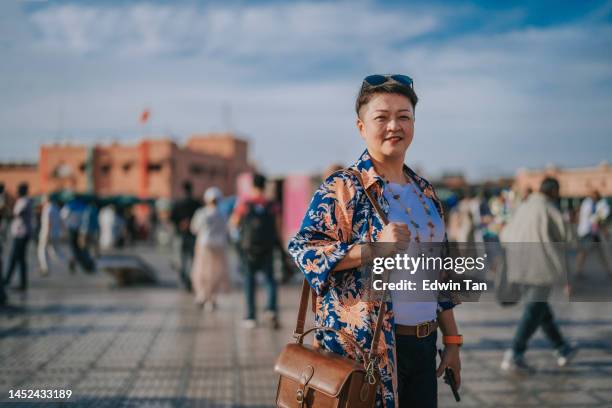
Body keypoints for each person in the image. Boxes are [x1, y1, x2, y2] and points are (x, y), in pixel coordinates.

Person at [288, 74, 462, 408]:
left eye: (404, 116)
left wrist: (452, 341)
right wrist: (372, 249)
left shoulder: (425, 192)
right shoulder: (342, 189)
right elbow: (303, 250)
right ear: (360, 126)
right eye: (381, 117)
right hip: (366, 351)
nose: (394, 126)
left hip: (424, 347)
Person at [499, 177, 578, 373]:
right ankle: (515, 353)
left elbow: (505, 235)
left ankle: (562, 348)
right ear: (553, 192)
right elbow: (569, 238)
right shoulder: (549, 209)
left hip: (519, 266)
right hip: (540, 268)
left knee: (541, 310)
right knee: (534, 310)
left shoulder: (523, 207)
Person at [230, 173, 281, 329]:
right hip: (267, 248)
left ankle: (251, 317)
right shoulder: (272, 205)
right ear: (264, 186)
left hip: (249, 249)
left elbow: (234, 222)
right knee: (270, 280)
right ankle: (271, 309)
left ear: (252, 186)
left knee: (249, 282)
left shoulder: (245, 204)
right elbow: (279, 227)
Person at [190, 187, 230, 309]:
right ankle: (212, 299)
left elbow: (194, 229)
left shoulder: (201, 213)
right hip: (219, 246)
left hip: (204, 245)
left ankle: (202, 295)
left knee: (201, 270)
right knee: (216, 272)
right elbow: (227, 231)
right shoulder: (223, 214)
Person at [170, 181, 200, 292]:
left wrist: (180, 225)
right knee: (192, 260)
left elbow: (172, 218)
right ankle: (190, 280)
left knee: (182, 260)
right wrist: (190, 223)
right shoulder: (196, 203)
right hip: (193, 236)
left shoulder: (178, 203)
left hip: (181, 235)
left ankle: (184, 281)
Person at [575, 189, 611, 279]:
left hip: (593, 232)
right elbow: (596, 220)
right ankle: (578, 271)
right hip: (587, 232)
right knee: (583, 252)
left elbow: (598, 219)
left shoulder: (596, 204)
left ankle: (609, 271)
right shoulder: (588, 204)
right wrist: (604, 230)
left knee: (602, 252)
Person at [4, 183, 33, 290]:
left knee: (17, 258)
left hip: (22, 234)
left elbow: (17, 214)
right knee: (17, 259)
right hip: (20, 233)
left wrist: (6, 209)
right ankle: (10, 280)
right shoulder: (24, 201)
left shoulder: (24, 201)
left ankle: (15, 282)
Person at [37, 194, 66, 275]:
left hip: (47, 233)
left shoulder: (47, 209)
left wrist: (46, 234)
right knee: (55, 251)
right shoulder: (56, 208)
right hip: (56, 233)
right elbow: (61, 222)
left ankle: (44, 268)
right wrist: (63, 232)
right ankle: (67, 261)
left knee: (42, 250)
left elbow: (48, 223)